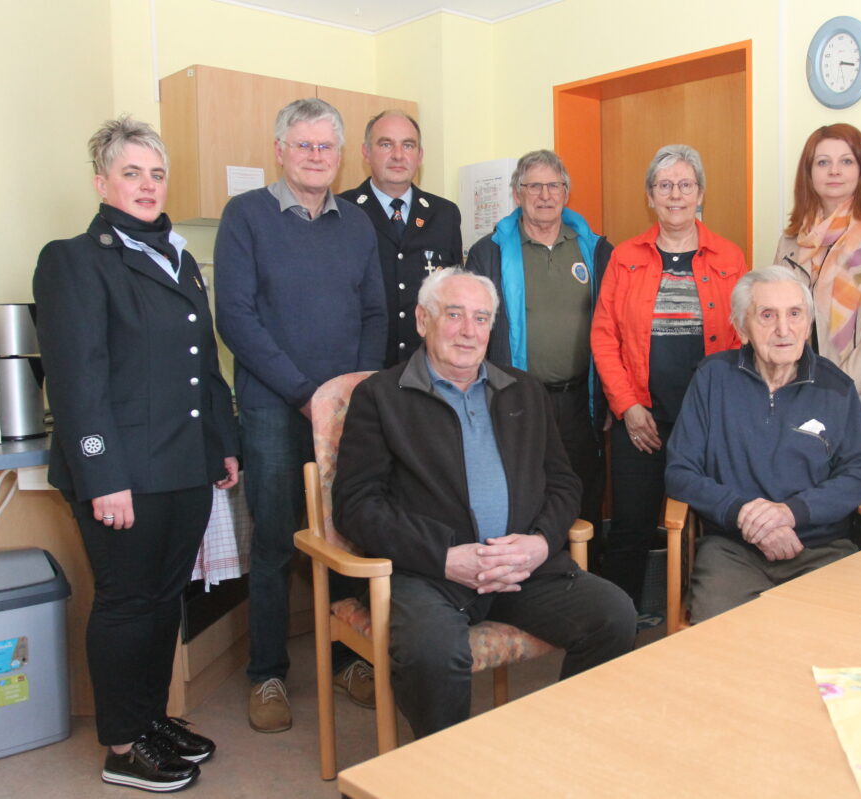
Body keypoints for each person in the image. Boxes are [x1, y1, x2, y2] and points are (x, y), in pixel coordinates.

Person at [331, 268, 636, 739]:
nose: (468, 331)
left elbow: (563, 482)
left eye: (481, 318)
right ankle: (446, 765)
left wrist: (539, 543)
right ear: (422, 320)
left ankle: (565, 743)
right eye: (454, 315)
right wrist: (444, 556)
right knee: (432, 653)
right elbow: (356, 504)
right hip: (431, 573)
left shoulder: (524, 390)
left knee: (614, 616)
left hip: (523, 568)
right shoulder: (380, 397)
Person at [34, 116, 237, 792]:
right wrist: (103, 476)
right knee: (126, 603)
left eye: (156, 174)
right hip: (122, 474)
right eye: (131, 173)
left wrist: (222, 443)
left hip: (183, 465)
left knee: (163, 600)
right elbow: (77, 381)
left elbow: (204, 366)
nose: (148, 186)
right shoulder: (74, 259)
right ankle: (122, 745)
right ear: (102, 183)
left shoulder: (178, 257)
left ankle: (149, 719)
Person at [214, 98, 387, 733]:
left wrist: (352, 392)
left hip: (342, 412)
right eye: (304, 145)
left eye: (325, 147)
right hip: (272, 407)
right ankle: (267, 674)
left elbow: (375, 312)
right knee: (275, 541)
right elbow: (235, 318)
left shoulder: (357, 225)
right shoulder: (246, 217)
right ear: (280, 151)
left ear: (340, 156)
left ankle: (345, 659)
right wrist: (304, 393)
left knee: (344, 533)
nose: (315, 156)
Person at [665, 266, 861, 623]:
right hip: (733, 548)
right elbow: (680, 472)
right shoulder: (712, 379)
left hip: (818, 549)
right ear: (741, 328)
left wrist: (790, 513)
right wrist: (742, 513)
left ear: (808, 324)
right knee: (720, 635)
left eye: (794, 314)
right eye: (767, 315)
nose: (784, 329)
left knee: (829, 631)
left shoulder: (836, 387)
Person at [590, 144, 744, 612]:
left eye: (685, 185)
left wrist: (725, 412)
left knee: (717, 524)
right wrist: (627, 407)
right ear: (650, 196)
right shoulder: (625, 257)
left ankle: (706, 613)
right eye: (664, 186)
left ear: (700, 193)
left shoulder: (729, 256)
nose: (675, 195)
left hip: (709, 421)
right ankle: (623, 621)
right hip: (642, 420)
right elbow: (604, 337)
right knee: (632, 525)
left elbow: (743, 338)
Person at [467, 150, 613, 542]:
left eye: (553, 186)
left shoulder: (597, 250)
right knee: (523, 495)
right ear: (517, 194)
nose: (545, 195)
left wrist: (611, 398)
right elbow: (473, 330)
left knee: (583, 493)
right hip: (516, 399)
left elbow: (615, 328)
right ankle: (531, 571)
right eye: (534, 186)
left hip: (581, 402)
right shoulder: (489, 253)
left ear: (566, 192)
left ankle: (583, 571)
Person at [772, 123, 861, 458]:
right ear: (808, 174)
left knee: (852, 485)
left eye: (846, 161)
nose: (834, 171)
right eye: (823, 162)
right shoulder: (792, 240)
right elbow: (776, 316)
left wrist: (840, 386)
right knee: (800, 482)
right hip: (798, 389)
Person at [339, 110, 463, 366]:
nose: (398, 155)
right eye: (386, 144)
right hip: (362, 367)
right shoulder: (342, 211)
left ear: (420, 155)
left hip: (428, 367)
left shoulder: (445, 214)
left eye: (408, 145)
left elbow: (455, 296)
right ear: (366, 152)